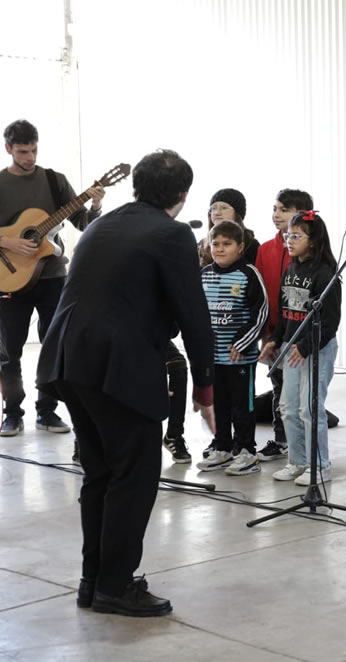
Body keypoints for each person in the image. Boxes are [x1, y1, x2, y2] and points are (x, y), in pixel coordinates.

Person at [37, 148, 215, 617]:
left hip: (68, 361)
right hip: (117, 365)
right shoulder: (172, 233)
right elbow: (193, 313)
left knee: (100, 473)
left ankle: (94, 581)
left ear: (136, 186)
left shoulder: (103, 224)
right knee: (134, 476)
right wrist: (205, 386)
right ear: (182, 194)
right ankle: (115, 586)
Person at [0, 119, 105, 436]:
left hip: (52, 276)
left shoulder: (54, 181)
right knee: (9, 350)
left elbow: (84, 224)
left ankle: (47, 411)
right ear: (8, 148)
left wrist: (96, 203)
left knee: (54, 345)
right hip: (9, 277)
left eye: (33, 150)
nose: (30, 157)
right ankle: (12, 414)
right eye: (22, 151)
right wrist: (9, 242)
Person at [260, 211, 341, 486]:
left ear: (314, 240)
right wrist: (274, 340)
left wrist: (306, 347)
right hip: (291, 347)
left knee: (310, 408)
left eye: (296, 236)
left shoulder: (326, 274)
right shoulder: (291, 270)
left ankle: (320, 466)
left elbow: (330, 323)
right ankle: (297, 461)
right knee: (288, 407)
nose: (289, 241)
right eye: (288, 236)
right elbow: (284, 313)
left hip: (317, 349)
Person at [196, 221, 268, 475]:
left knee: (242, 405)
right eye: (215, 244)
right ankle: (223, 448)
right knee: (218, 405)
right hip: (212, 358)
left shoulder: (248, 274)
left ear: (240, 247)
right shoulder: (203, 274)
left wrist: (242, 342)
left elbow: (261, 313)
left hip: (240, 359)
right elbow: (196, 314)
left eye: (227, 244)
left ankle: (246, 451)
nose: (220, 249)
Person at [255, 188, 313, 461]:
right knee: (278, 387)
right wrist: (266, 333)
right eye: (275, 208)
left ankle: (304, 444)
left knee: (301, 392)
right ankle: (282, 440)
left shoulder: (307, 250)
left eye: (284, 209)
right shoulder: (265, 249)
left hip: (300, 332)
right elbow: (259, 293)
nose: (276, 214)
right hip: (272, 332)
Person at [197, 188, 259, 267]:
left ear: (237, 213)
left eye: (224, 208)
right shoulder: (202, 245)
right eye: (213, 208)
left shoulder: (251, 244)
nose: (217, 213)